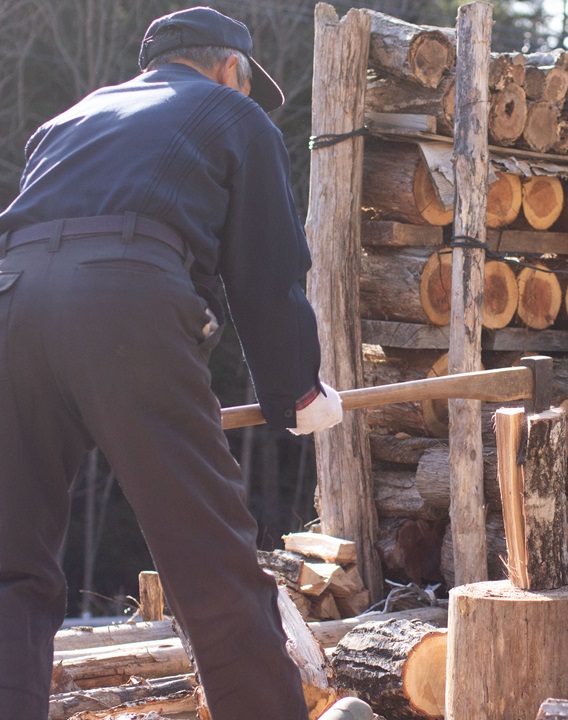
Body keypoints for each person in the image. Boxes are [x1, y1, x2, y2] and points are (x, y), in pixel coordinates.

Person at [0, 7, 346, 719]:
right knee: (211, 563)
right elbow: (265, 272)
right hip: (122, 300)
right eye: (246, 84)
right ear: (230, 69)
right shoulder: (233, 114)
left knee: (12, 567)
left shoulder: (65, 122)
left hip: (12, 300)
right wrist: (298, 391)